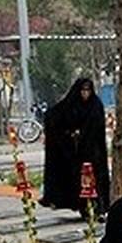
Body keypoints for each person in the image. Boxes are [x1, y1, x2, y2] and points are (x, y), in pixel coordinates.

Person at [41, 77, 111, 213]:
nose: (85, 94)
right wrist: (70, 133)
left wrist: (83, 133)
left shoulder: (95, 105)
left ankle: (98, 207)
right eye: (83, 90)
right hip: (75, 152)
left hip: (92, 151)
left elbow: (97, 128)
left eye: (88, 90)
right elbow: (54, 117)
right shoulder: (71, 104)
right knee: (76, 180)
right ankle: (79, 205)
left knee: (95, 179)